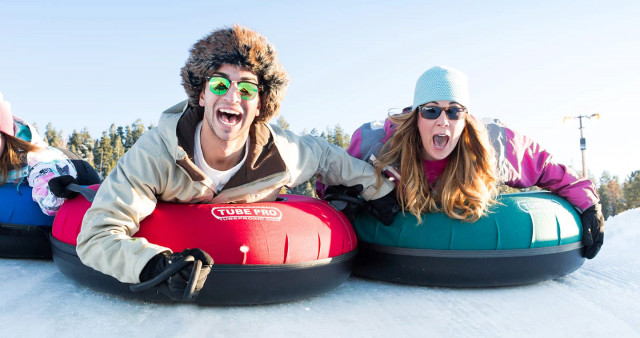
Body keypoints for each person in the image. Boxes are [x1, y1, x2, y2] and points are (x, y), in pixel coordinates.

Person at [69, 25, 398, 301]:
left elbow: (325, 155)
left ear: (259, 105)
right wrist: (154, 265)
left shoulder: (280, 154)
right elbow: (96, 235)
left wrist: (376, 188)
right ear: (201, 96)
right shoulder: (157, 154)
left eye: (246, 88)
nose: (232, 97)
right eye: (220, 84)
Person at [339, 65, 604, 260]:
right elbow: (334, 179)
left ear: (465, 118)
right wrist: (356, 203)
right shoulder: (377, 145)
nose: (443, 121)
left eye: (454, 111)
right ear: (416, 116)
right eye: (431, 110)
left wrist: (589, 203)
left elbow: (546, 167)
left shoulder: (492, 145)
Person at [0, 92, 78, 216]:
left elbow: (45, 175)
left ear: (6, 136)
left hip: (71, 167)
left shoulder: (31, 157)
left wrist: (54, 191)